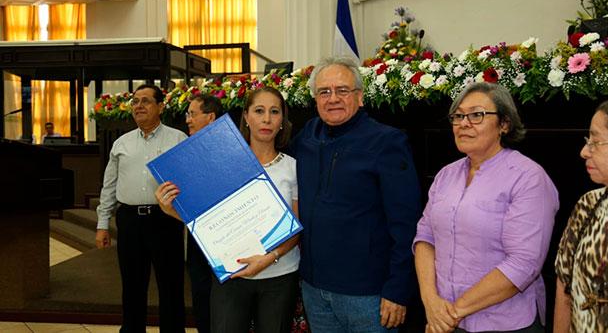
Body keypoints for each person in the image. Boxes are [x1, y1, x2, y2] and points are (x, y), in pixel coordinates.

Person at [413, 82, 559, 333]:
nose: (463, 123)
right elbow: (425, 238)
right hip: (443, 317)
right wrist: (431, 302)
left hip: (504, 323)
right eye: (458, 116)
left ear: (504, 124)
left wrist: (452, 312)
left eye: (477, 115)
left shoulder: (528, 178)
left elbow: (523, 264)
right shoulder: (446, 175)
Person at [290, 56, 421, 332]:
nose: (332, 98)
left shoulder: (387, 142)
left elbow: (406, 223)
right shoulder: (306, 136)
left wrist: (398, 289)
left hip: (368, 296)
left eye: (342, 90)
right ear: (315, 99)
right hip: (315, 290)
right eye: (324, 92)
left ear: (360, 97)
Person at [156, 87, 300, 333]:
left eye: (274, 112)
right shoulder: (222, 161)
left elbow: (297, 227)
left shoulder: (294, 167)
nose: (266, 119)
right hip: (231, 274)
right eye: (259, 111)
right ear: (246, 116)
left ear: (282, 120)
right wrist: (169, 208)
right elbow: (207, 220)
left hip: (280, 275)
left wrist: (268, 258)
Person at [95, 84, 188, 333]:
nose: (139, 106)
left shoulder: (178, 139)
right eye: (135, 101)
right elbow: (109, 186)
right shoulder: (121, 144)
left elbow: (190, 183)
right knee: (132, 285)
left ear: (160, 106)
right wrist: (102, 224)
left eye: (146, 101)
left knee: (171, 285)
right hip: (129, 221)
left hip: (165, 220)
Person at [155, 93, 223, 333]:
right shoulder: (185, 154)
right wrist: (168, 207)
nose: (188, 120)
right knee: (201, 299)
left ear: (211, 117)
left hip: (227, 239)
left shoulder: (230, 151)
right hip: (198, 241)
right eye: (187, 115)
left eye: (193, 114)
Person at [554, 99, 608, 332]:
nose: (584, 151)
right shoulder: (588, 204)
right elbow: (564, 288)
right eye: (588, 141)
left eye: (596, 142)